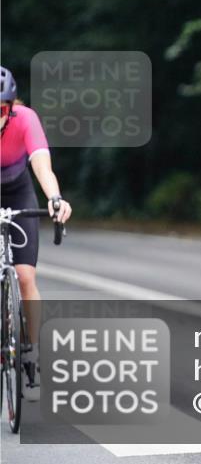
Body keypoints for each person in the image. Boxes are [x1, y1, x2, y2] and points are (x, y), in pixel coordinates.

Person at [0, 66, 72, 401]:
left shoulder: (26, 120)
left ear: (11, 107)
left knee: (26, 277)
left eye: (0, 110)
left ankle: (30, 348)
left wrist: (55, 199)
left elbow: (42, 166)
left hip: (18, 193)